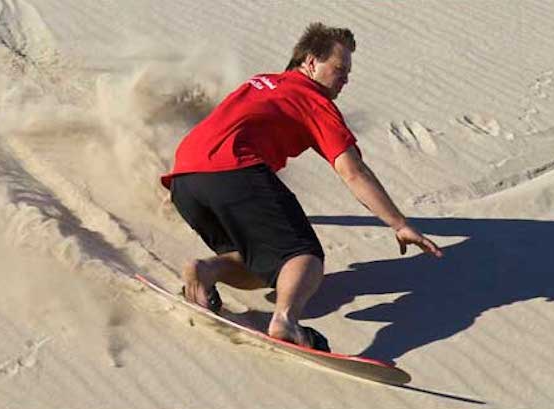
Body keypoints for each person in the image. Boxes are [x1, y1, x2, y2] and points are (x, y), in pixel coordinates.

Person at [160, 22, 443, 352]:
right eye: (339, 69)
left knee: (267, 268)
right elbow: (353, 172)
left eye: (348, 73)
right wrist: (400, 224)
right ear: (310, 62)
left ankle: (204, 271)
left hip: (184, 179)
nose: (345, 79)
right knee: (303, 257)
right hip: (234, 171)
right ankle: (285, 321)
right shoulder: (313, 100)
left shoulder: (262, 82)